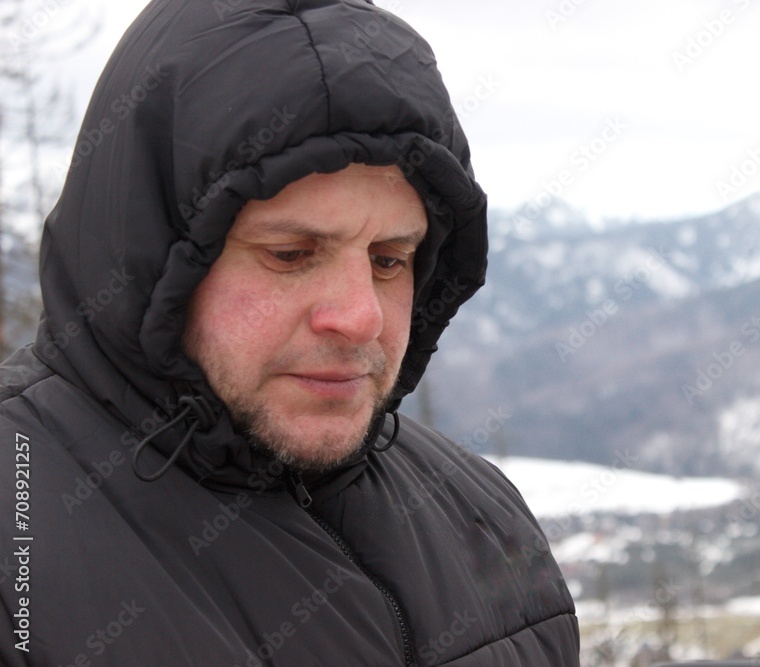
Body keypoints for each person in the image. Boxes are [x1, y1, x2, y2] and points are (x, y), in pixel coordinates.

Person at [0, 0, 579, 664]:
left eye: (389, 259)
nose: (360, 316)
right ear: (151, 261)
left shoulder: (487, 523)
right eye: (290, 255)